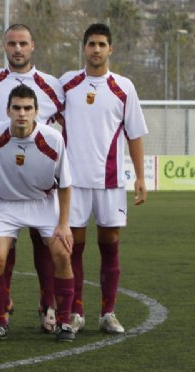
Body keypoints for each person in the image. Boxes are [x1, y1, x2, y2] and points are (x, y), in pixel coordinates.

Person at [0, 23, 65, 333]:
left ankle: (49, 306)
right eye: (12, 43)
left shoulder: (52, 85)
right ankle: (3, 308)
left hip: (41, 186)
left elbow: (71, 117)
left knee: (47, 249)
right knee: (2, 253)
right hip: (6, 183)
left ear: (33, 45)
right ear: (4, 46)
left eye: (23, 43)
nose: (18, 49)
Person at [0, 84, 76, 342]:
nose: (22, 113)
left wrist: (64, 224)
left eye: (28, 108)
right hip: (6, 205)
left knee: (62, 255)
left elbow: (66, 184)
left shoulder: (52, 139)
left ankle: (64, 322)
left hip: (43, 203)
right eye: (17, 108)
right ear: (8, 110)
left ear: (37, 111)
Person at [59, 23, 148, 334]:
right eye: (91, 44)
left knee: (109, 244)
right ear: (83, 48)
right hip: (73, 182)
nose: (96, 49)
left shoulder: (124, 87)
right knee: (75, 247)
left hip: (110, 181)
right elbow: (44, 114)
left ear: (110, 49)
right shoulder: (67, 84)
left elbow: (134, 134)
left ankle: (108, 313)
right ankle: (76, 312)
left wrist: (140, 177)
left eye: (101, 44)